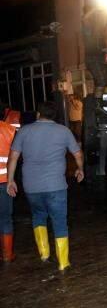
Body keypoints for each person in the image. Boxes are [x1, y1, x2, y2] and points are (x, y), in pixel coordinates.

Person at [6, 101, 84, 272]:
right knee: (59, 221)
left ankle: (44, 254)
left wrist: (10, 180)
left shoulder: (25, 131)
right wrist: (80, 169)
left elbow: (13, 157)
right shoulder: (63, 131)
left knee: (38, 216)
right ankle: (63, 262)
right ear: (55, 116)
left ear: (38, 114)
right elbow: (77, 153)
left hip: (31, 186)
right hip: (56, 186)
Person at [0, 119, 16, 263]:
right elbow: (15, 157)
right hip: (4, 181)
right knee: (5, 218)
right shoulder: (9, 130)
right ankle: (7, 254)